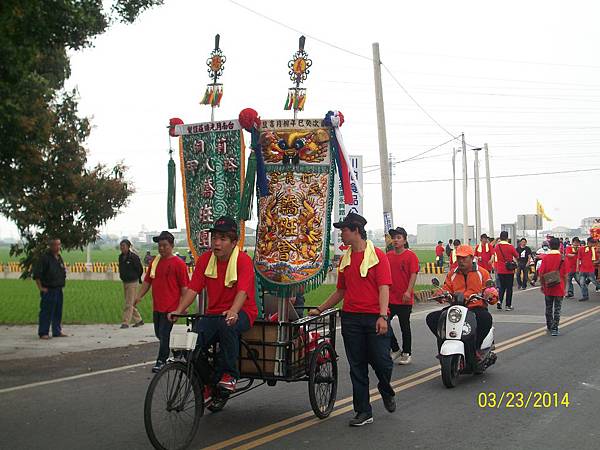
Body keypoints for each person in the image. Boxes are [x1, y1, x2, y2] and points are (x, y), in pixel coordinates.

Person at [309, 212, 395, 427]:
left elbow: (384, 287)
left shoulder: (377, 256)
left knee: (382, 363)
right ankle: (363, 411)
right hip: (351, 319)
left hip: (375, 317)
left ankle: (385, 388)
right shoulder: (345, 259)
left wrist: (383, 316)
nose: (342, 235)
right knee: (357, 366)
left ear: (356, 230)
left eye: (344, 231)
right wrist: (320, 309)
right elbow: (340, 291)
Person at [170, 216, 257, 392]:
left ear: (234, 243)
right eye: (214, 238)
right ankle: (210, 382)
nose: (216, 243)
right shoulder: (204, 260)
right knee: (190, 346)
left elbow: (242, 291)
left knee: (228, 326)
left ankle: (229, 375)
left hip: (242, 312)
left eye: (222, 239)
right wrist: (178, 310)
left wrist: (233, 311)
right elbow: (193, 289)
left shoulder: (243, 261)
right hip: (213, 314)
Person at [425, 245, 495, 358]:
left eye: (464, 258)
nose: (461, 261)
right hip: (456, 308)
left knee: (486, 318)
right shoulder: (452, 274)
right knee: (432, 318)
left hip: (475, 307)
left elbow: (490, 288)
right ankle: (444, 343)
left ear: (472, 258)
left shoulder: (482, 273)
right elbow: (446, 288)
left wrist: (491, 294)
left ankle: (476, 348)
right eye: (458, 258)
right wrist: (439, 295)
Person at [135, 231, 189, 372]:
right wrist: (139, 296)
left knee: (164, 334)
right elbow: (147, 281)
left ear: (172, 245)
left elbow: (184, 287)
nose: (161, 248)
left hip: (171, 307)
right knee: (159, 334)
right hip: (157, 306)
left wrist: (183, 306)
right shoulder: (155, 262)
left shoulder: (179, 264)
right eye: (159, 246)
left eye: (164, 245)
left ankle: (161, 360)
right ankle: (177, 351)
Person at [387, 227, 419, 365]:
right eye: (394, 238)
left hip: (404, 298)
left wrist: (408, 291)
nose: (395, 240)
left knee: (404, 326)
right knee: (384, 323)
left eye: (399, 237)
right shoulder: (388, 256)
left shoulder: (411, 256)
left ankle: (407, 353)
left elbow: (413, 274)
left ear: (405, 240)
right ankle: (395, 349)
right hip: (390, 297)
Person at [32, 238, 68, 339]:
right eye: (56, 245)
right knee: (46, 311)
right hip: (48, 289)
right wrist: (41, 288)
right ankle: (43, 332)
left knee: (58, 311)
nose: (58, 247)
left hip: (58, 288)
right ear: (51, 246)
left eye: (59, 245)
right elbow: (37, 275)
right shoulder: (44, 258)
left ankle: (57, 331)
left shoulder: (59, 257)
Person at [538, 237, 568, 336]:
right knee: (557, 309)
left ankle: (549, 325)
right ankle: (555, 328)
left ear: (549, 246)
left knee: (548, 307)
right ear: (559, 246)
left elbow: (541, 273)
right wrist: (565, 287)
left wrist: (542, 285)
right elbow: (565, 275)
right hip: (559, 286)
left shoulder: (545, 258)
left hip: (548, 286)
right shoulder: (563, 258)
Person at [118, 239, 144, 329]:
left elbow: (139, 269)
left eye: (124, 246)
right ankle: (139, 320)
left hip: (133, 282)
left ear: (128, 247)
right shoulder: (121, 257)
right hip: (125, 281)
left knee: (128, 303)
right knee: (130, 302)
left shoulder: (133, 257)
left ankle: (125, 322)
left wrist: (136, 277)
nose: (122, 248)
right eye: (121, 246)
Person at [494, 231, 519, 311]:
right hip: (509, 270)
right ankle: (508, 305)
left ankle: (499, 301)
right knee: (509, 288)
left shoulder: (497, 246)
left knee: (501, 287)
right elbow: (516, 255)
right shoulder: (510, 246)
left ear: (500, 237)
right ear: (507, 238)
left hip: (500, 269)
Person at [577, 237, 600, 301]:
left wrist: (594, 262)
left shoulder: (594, 250)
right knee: (582, 283)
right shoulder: (581, 249)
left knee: (595, 283)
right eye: (592, 243)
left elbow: (597, 260)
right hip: (582, 269)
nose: (593, 244)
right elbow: (578, 259)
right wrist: (577, 268)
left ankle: (585, 296)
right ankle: (585, 296)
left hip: (590, 270)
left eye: (593, 243)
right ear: (588, 242)